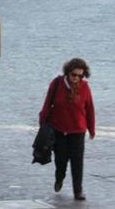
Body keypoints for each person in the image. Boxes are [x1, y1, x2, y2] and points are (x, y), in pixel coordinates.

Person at [39, 58, 96, 201]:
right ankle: (59, 178)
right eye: (74, 75)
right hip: (59, 129)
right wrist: (43, 124)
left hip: (78, 130)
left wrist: (92, 129)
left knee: (77, 162)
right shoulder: (57, 84)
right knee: (61, 160)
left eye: (80, 76)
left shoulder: (85, 87)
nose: (76, 78)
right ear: (68, 73)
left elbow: (90, 109)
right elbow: (47, 104)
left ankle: (78, 191)